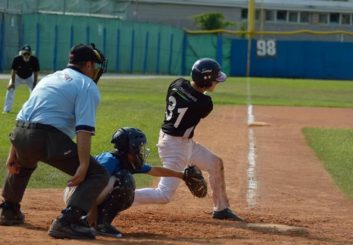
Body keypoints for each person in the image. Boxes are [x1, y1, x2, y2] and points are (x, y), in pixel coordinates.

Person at [0, 43, 109, 240]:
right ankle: (69, 221)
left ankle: (8, 209)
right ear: (87, 65)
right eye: (95, 67)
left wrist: (13, 153)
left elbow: (24, 116)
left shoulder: (50, 78)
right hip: (46, 137)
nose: (96, 72)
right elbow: (84, 130)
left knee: (23, 164)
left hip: (20, 133)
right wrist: (84, 165)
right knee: (98, 173)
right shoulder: (86, 85)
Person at [133, 58, 243, 221]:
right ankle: (119, 197)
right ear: (205, 80)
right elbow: (196, 101)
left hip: (180, 141)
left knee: (215, 164)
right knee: (164, 195)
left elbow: (189, 96)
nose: (216, 83)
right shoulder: (205, 103)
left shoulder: (176, 83)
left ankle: (221, 209)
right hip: (175, 147)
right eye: (214, 80)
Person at [63, 127, 187, 238]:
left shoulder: (126, 160)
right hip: (78, 195)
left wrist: (181, 175)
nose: (141, 150)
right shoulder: (110, 160)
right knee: (124, 179)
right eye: (138, 146)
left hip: (84, 193)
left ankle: (99, 222)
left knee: (124, 184)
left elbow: (154, 170)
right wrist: (92, 212)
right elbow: (90, 185)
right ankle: (99, 224)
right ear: (130, 147)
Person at [3, 44, 40, 113]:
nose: (26, 55)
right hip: (17, 76)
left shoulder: (34, 60)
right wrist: (13, 83)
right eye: (24, 53)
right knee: (10, 90)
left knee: (35, 92)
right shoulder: (17, 59)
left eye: (28, 54)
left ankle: (34, 110)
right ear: (21, 53)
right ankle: (7, 110)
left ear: (30, 54)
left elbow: (36, 72)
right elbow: (13, 71)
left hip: (29, 77)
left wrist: (35, 83)